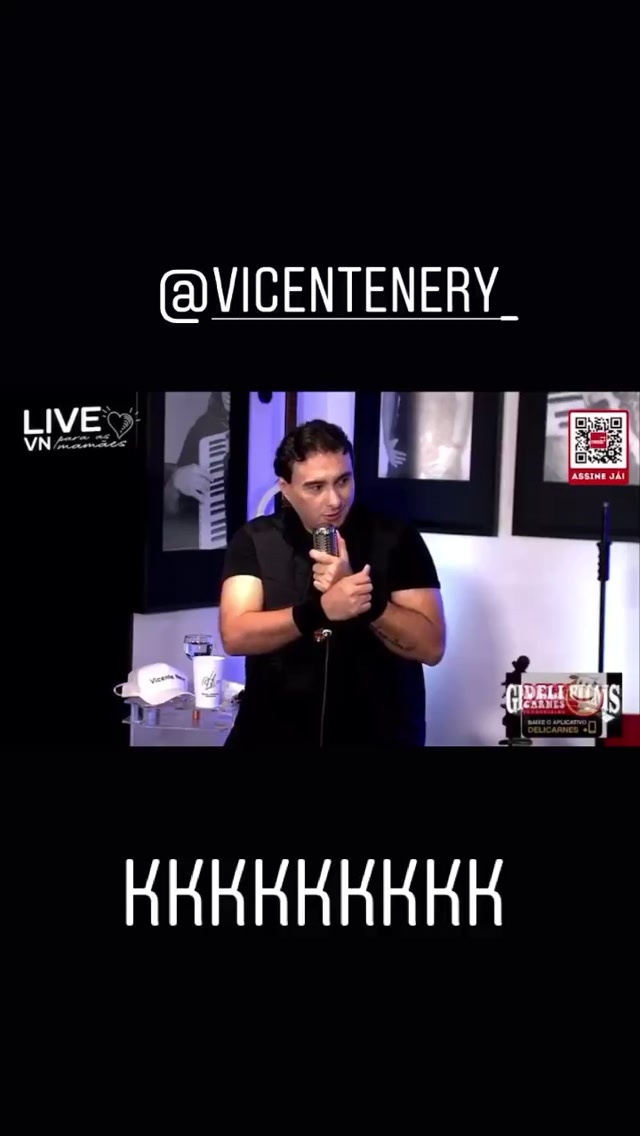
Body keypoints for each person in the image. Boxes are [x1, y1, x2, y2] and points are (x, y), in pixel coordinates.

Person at [219, 419, 446, 747]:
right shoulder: (256, 539)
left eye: (343, 481)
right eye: (316, 487)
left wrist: (365, 600)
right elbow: (235, 635)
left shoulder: (397, 538)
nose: (335, 500)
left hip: (379, 734)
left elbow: (431, 647)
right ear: (286, 488)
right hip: (272, 733)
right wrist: (320, 610)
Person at [381, 391, 472, 479]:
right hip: (404, 443)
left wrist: (455, 448)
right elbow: (389, 395)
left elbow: (464, 401)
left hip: (443, 445)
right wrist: (387, 440)